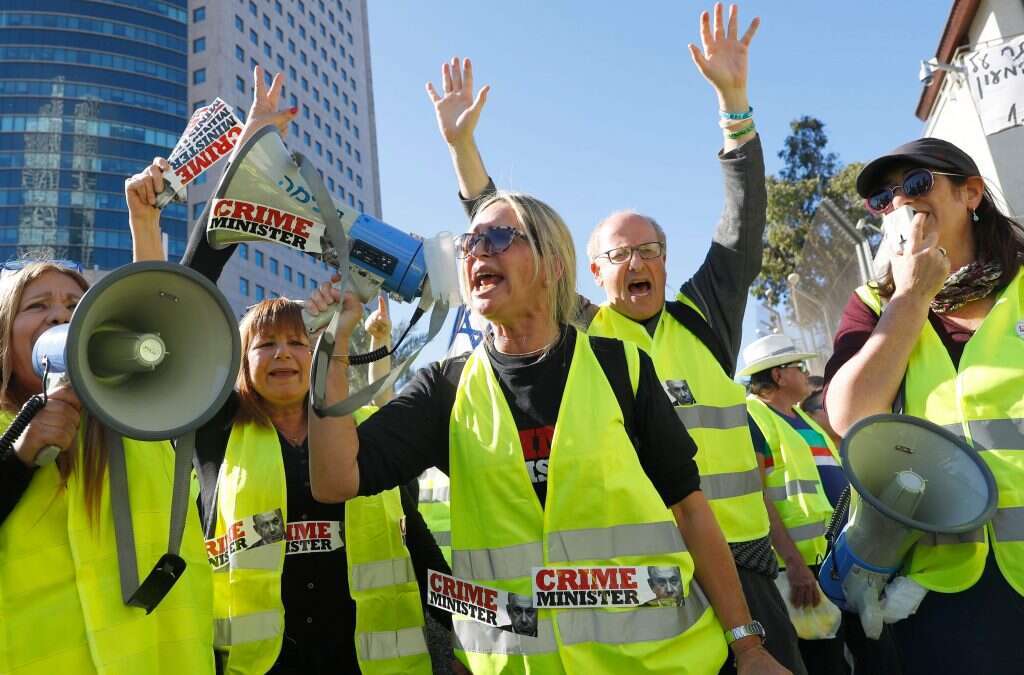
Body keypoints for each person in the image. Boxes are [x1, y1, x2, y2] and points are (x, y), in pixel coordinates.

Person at [425, 4, 803, 673]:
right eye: (620, 253)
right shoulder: (586, 337)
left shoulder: (703, 318)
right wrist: (463, 155)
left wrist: (735, 107)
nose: (638, 262)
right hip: (648, 589)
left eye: (651, 249)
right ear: (588, 272)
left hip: (741, 566)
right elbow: (509, 244)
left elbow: (743, 229)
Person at [305, 187, 788, 673]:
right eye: (470, 243)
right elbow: (334, 479)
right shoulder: (444, 389)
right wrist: (335, 341)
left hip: (659, 662)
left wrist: (748, 647)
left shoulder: (623, 369)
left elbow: (691, 510)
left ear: (554, 263)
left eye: (498, 236)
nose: (477, 252)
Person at [124, 66, 451, 674]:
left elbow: (419, 543)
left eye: (297, 343)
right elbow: (185, 304)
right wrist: (245, 159)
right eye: (263, 345)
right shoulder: (216, 428)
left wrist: (461, 642)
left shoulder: (360, 433)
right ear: (238, 366)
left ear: (317, 353)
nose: (282, 354)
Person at [823, 137, 1024, 674]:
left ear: (972, 193)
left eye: (916, 184)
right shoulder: (874, 306)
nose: (901, 203)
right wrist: (910, 296)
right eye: (884, 199)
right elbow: (850, 417)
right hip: (939, 588)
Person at [0, 261, 215, 673]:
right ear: (6, 332)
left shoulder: (138, 423)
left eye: (76, 305)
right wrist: (20, 455)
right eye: (37, 305)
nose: (61, 316)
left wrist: (146, 226)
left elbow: (172, 318)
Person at [742, 335, 900, 674]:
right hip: (803, 569)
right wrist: (794, 563)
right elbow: (757, 496)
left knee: (879, 656)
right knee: (827, 662)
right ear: (778, 376)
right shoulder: (753, 418)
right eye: (798, 367)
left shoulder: (805, 421)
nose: (805, 372)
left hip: (841, 559)